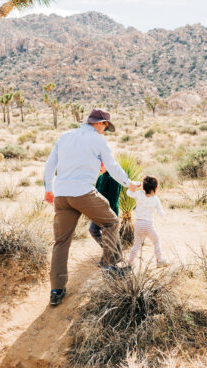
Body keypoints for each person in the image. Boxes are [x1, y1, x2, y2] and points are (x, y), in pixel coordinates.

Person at [43, 109, 141, 307]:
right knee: (111, 221)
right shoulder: (98, 140)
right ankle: (111, 268)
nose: (105, 130)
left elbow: (49, 165)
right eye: (106, 126)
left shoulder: (65, 137)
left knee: (61, 242)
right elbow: (112, 167)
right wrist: (128, 183)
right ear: (100, 123)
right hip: (83, 193)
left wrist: (48, 189)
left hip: (61, 194)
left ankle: (56, 290)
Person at [126, 175, 168, 266]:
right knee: (156, 240)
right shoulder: (156, 200)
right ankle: (159, 260)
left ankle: (130, 262)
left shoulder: (139, 194)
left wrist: (135, 185)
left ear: (143, 187)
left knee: (136, 245)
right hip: (149, 225)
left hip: (138, 224)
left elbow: (128, 193)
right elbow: (160, 211)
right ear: (155, 188)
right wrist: (164, 217)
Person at [89, 162, 121, 246]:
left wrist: (107, 214)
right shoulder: (100, 177)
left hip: (109, 213)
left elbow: (113, 200)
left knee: (109, 236)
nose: (99, 167)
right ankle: (108, 249)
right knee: (93, 230)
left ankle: (111, 254)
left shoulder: (114, 178)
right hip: (98, 212)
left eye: (101, 165)